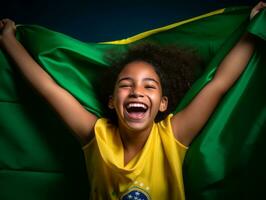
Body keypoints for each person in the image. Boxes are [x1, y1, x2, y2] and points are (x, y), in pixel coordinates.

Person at [0, 1, 265, 199]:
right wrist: (8, 40)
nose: (137, 91)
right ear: (112, 101)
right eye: (126, 85)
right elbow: (48, 89)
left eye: (149, 86)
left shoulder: (172, 136)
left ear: (162, 103)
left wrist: (254, 30)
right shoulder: (96, 136)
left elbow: (219, 84)